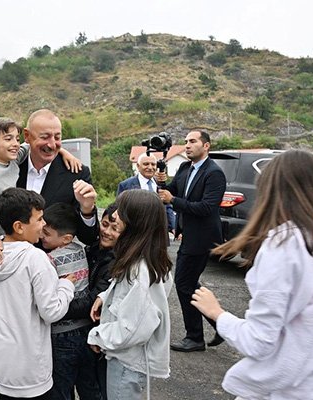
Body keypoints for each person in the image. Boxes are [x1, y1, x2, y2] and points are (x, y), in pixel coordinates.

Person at [191, 150, 313, 400]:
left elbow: (258, 341)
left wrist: (217, 313)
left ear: (270, 192)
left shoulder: (285, 245)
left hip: (294, 390)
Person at [0, 117, 81, 388]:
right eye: (8, 139)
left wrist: (61, 150)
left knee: (18, 309)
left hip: (18, 243)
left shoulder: (14, 158)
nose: (15, 144)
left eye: (17, 138)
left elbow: (37, 147)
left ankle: (9, 361)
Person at [0, 188, 75, 399]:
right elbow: (51, 311)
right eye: (39, 219)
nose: (43, 224)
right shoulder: (35, 258)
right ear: (19, 227)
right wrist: (66, 286)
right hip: (29, 367)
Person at [87, 190, 172, 400]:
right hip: (129, 358)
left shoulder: (139, 271)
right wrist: (105, 297)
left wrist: (98, 337)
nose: (114, 216)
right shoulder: (149, 260)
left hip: (127, 362)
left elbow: (133, 327)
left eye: (121, 213)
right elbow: (135, 301)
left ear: (135, 223)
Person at [157, 130, 226, 352]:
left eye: (192, 141)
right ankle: (219, 324)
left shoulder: (214, 173)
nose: (187, 145)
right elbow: (170, 192)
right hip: (188, 236)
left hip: (203, 238)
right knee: (187, 283)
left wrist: (173, 200)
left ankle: (196, 337)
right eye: (186, 142)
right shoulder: (185, 168)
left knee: (185, 283)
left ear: (206, 146)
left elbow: (207, 207)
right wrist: (163, 183)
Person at [40, 203, 102, 400]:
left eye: (47, 233)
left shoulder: (49, 260)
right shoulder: (81, 249)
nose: (41, 236)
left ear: (66, 238)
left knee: (61, 388)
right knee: (89, 386)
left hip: (61, 334)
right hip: (86, 330)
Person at [60, 203, 120, 400]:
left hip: (97, 338)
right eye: (104, 224)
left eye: (115, 228)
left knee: (94, 389)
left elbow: (92, 300)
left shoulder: (118, 262)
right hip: (83, 332)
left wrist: (55, 308)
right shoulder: (90, 249)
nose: (107, 232)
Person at [17, 109, 98, 245]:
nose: (52, 144)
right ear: (27, 135)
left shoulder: (76, 174)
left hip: (51, 264)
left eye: (57, 137)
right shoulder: (10, 165)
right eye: (45, 137)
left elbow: (89, 238)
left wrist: (87, 210)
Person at [116, 152, 176, 236]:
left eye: (153, 164)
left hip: (159, 233)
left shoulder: (161, 184)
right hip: (135, 233)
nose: (150, 167)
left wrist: (173, 226)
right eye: (146, 164)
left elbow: (167, 206)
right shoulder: (126, 185)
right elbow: (120, 210)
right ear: (138, 166)